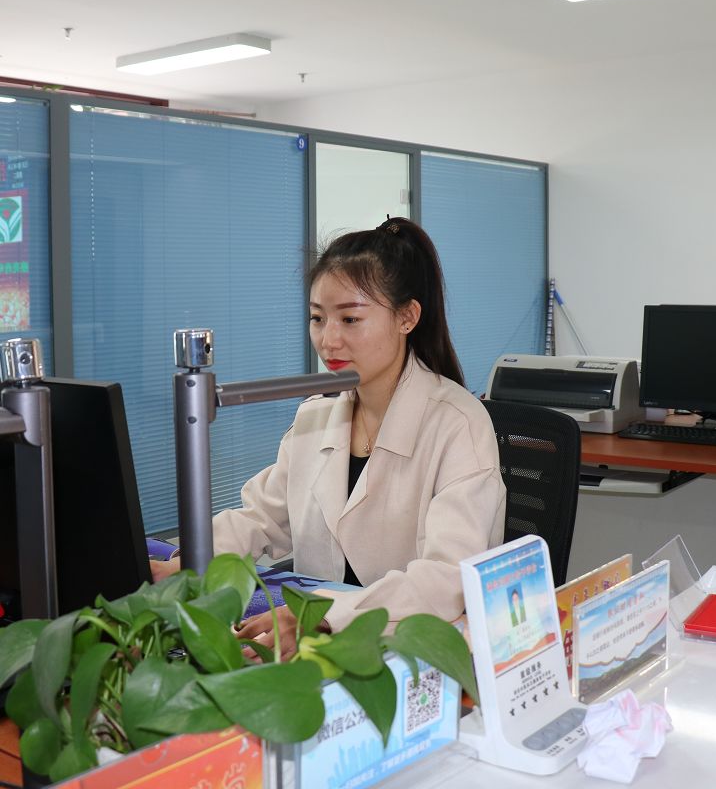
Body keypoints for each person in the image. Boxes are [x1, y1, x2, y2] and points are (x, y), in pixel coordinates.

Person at [152, 217, 506, 658]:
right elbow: (261, 519)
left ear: (407, 317)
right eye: (317, 318)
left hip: (413, 652)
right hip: (315, 649)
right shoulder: (317, 413)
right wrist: (184, 566)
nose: (328, 340)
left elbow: (447, 579)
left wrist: (320, 615)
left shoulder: (459, 425)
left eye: (350, 318)